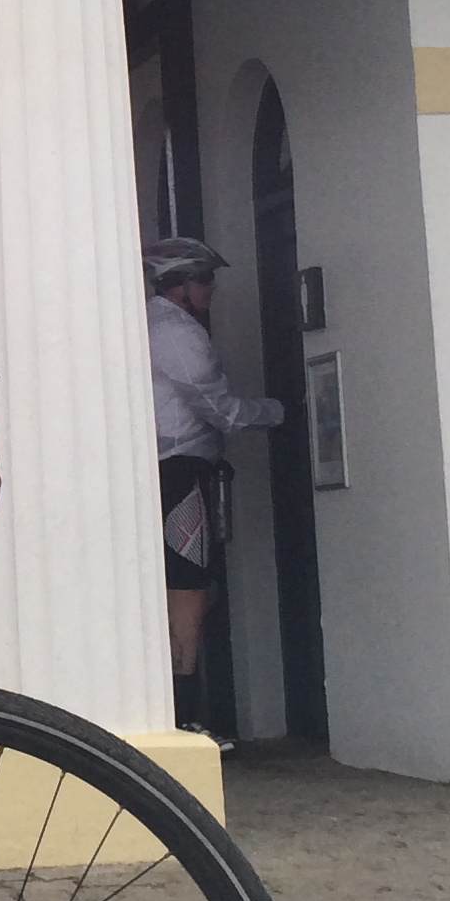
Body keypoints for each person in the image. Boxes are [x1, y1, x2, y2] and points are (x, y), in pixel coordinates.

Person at [145, 236, 285, 731]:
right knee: (188, 592)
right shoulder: (178, 333)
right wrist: (280, 410)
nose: (212, 289)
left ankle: (179, 710)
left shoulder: (151, 324)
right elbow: (220, 411)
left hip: (168, 469)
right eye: (204, 279)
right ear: (179, 285)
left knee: (192, 589)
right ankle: (183, 716)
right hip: (181, 469)